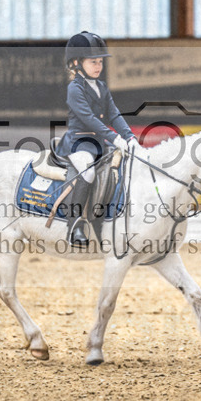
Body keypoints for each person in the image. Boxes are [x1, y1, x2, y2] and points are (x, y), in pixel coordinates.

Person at [56, 31, 142, 247]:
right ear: (76, 63)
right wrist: (115, 138)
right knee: (88, 170)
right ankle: (74, 226)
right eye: (93, 62)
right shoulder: (74, 88)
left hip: (100, 144)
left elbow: (113, 114)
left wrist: (129, 136)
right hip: (79, 142)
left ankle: (107, 220)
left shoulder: (101, 87)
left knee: (119, 170)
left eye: (100, 62)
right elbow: (89, 119)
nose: (98, 66)